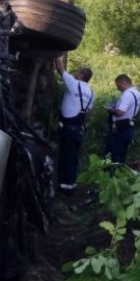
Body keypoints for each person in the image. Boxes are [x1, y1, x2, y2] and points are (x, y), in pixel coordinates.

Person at [54, 56, 94, 194]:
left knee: (66, 156)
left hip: (69, 128)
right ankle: (71, 183)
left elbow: (61, 70)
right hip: (79, 128)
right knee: (74, 157)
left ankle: (64, 187)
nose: (75, 72)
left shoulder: (74, 84)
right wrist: (83, 125)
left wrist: (57, 54)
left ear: (82, 75)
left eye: (77, 71)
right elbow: (88, 112)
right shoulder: (90, 91)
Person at [105, 74, 140, 167]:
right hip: (129, 125)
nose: (118, 88)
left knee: (114, 152)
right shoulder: (137, 93)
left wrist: (110, 110)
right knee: (123, 152)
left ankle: (112, 175)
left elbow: (120, 112)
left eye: (118, 85)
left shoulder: (127, 94)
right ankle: (121, 173)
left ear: (124, 83)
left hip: (120, 127)